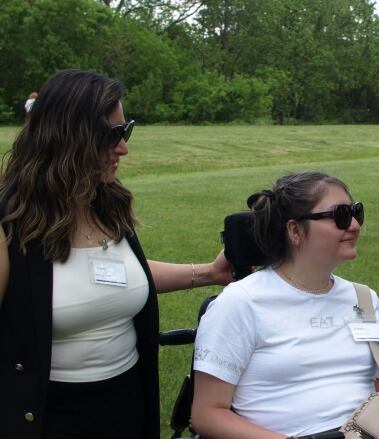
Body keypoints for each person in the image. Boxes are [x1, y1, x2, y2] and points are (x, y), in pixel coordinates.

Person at [0, 69, 235, 439]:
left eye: (126, 131)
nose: (123, 147)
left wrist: (209, 273)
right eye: (113, 135)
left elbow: (117, 277)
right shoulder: (11, 224)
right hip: (51, 416)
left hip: (127, 402)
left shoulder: (105, 203)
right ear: (67, 138)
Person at [191, 172, 379, 439]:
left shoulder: (363, 299)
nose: (355, 225)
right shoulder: (241, 302)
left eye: (356, 212)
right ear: (295, 231)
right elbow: (208, 413)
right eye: (340, 216)